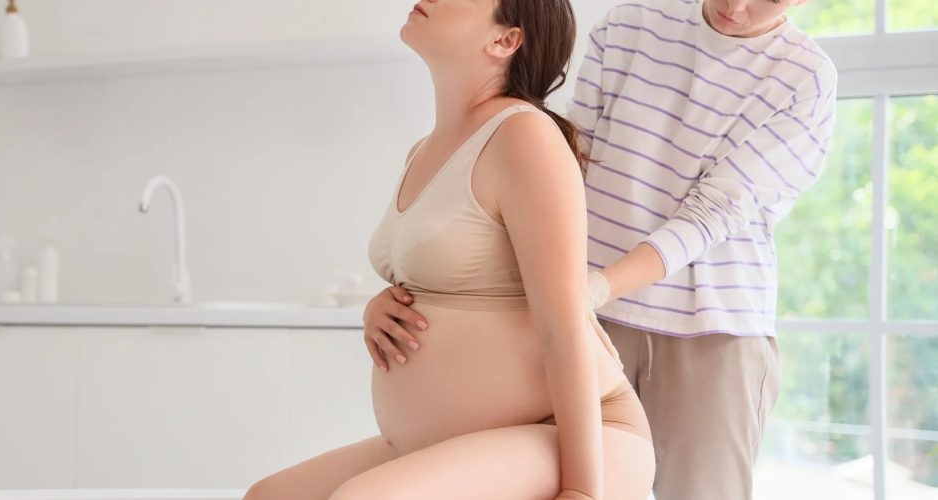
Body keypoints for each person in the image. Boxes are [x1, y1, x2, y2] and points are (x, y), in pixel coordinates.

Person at [364, 0, 839, 499]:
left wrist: (588, 290)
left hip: (707, 326)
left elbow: (711, 214)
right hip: (590, 311)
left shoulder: (804, 76)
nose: (736, 7)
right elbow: (571, 157)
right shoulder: (631, 21)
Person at [244, 0, 654, 499]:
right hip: (458, 440)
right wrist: (382, 306)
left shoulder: (524, 135)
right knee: (269, 497)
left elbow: (564, 325)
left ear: (505, 40)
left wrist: (584, 492)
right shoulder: (425, 148)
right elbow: (451, 280)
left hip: (568, 436)